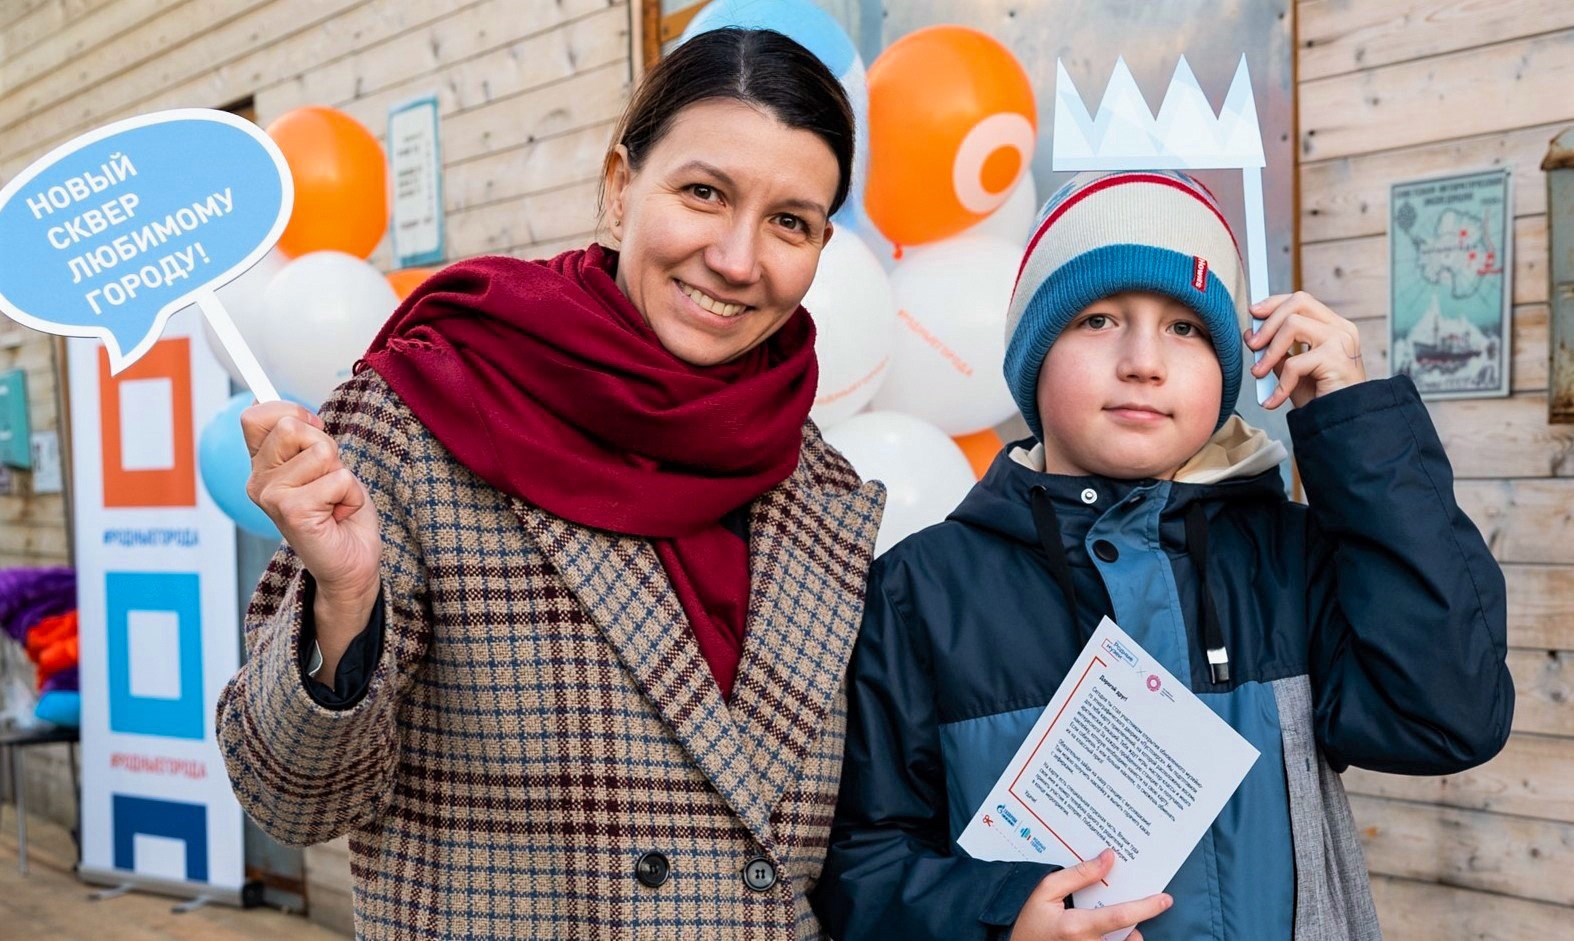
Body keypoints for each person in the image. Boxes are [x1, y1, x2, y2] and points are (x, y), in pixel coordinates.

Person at [217, 28, 885, 940]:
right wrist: (344, 600)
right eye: (703, 193)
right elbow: (290, 801)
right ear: (621, 189)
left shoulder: (820, 491)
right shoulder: (425, 411)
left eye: (790, 221)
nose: (738, 258)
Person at [810, 170, 1513, 941]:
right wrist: (999, 919)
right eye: (1100, 318)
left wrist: (1354, 427)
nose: (1144, 359)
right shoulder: (923, 589)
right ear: (1032, 357)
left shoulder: (1289, 557)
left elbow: (1448, 717)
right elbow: (863, 867)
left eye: (1185, 328)